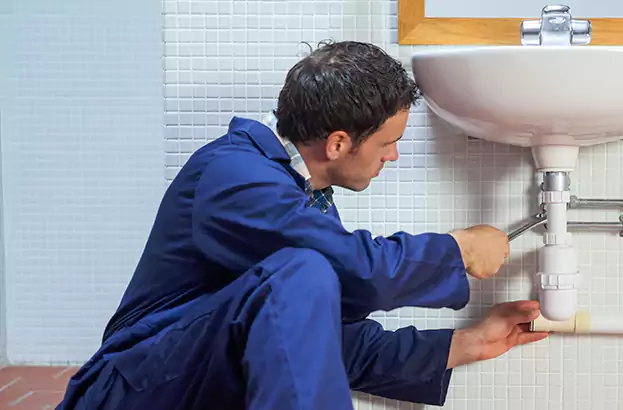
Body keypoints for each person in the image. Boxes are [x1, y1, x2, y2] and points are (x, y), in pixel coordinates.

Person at [57, 40, 548, 410]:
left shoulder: (301, 201)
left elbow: (328, 342)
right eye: (386, 143)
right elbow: (360, 271)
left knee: (308, 279)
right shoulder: (233, 176)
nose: (393, 156)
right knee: (307, 271)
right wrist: (456, 249)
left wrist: (467, 343)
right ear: (337, 143)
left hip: (184, 381)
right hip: (125, 390)